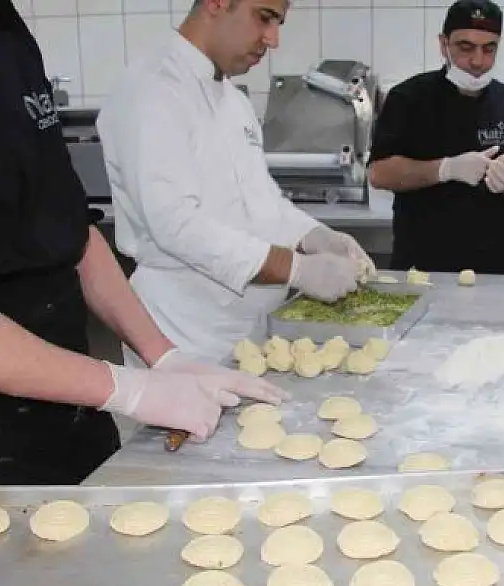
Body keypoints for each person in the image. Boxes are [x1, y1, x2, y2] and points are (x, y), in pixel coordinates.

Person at [0, 0, 287, 544]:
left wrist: (164, 357)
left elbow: (72, 233)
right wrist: (127, 390)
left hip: (66, 415)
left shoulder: (1, 23)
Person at [96, 0, 377, 367]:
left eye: (278, 23)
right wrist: (297, 269)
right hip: (184, 339)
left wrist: (314, 235)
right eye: (264, 18)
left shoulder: (232, 100)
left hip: (249, 336)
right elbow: (175, 224)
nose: (273, 39)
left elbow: (261, 204)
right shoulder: (153, 89)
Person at [367, 0, 504, 276]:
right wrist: (445, 169)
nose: (477, 61)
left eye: (489, 49)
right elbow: (379, 173)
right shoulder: (408, 99)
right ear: (444, 44)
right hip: (422, 268)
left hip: (497, 271)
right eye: (465, 47)